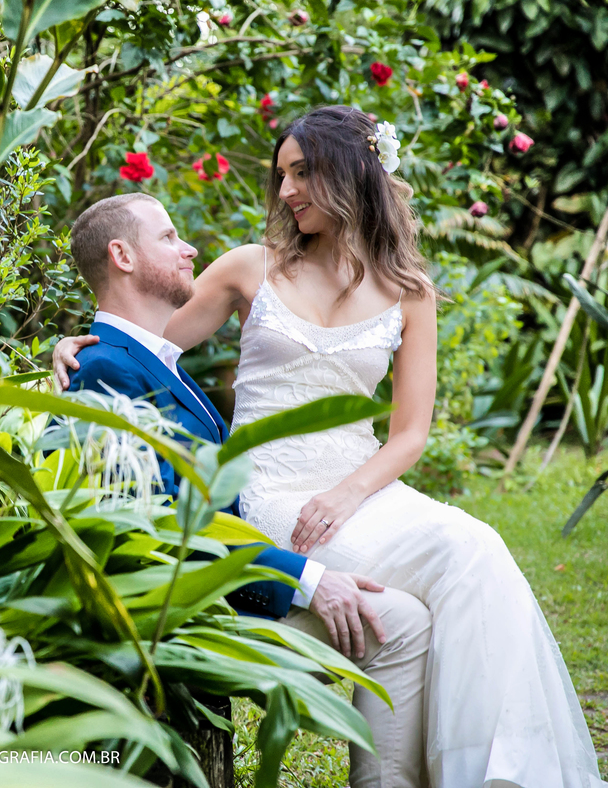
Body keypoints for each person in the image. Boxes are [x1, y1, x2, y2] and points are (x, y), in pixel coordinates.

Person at [53, 106, 605, 788]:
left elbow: (410, 433)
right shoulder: (252, 269)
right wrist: (71, 344)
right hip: (267, 492)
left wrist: (347, 494)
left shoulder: (411, 293)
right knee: (408, 616)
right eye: (281, 175)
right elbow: (148, 343)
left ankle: (496, 774)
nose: (285, 192)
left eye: (302, 173)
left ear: (351, 173)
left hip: (360, 487)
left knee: (478, 552)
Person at [65, 190, 432, 788]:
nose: (188, 249)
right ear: (122, 256)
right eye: (167, 238)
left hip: (230, 582)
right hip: (193, 616)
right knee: (402, 625)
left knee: (405, 615)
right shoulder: (108, 368)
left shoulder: (148, 361)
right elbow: (168, 523)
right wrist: (310, 581)